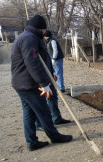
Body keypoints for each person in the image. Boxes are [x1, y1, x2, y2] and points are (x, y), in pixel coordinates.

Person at [11, 14, 72, 151]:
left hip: (21, 83)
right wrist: (43, 83)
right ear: (40, 29)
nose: (45, 32)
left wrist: (49, 77)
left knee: (29, 113)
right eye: (44, 30)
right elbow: (32, 63)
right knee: (43, 111)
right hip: (29, 84)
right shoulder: (29, 39)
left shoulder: (26, 36)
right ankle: (55, 137)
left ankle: (31, 141)